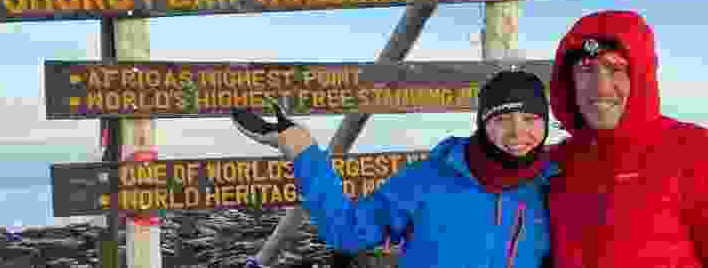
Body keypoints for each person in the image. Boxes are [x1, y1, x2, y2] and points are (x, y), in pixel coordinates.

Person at [231, 70, 557, 268]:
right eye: (501, 120)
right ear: (482, 124)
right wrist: (300, 148)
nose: (517, 133)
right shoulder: (429, 181)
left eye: (530, 119)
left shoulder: (554, 183)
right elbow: (346, 230)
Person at [546, 10, 708, 268]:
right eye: (586, 70)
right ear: (568, 81)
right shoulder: (556, 163)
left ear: (641, 76)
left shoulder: (695, 150)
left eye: (616, 69)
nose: (600, 87)